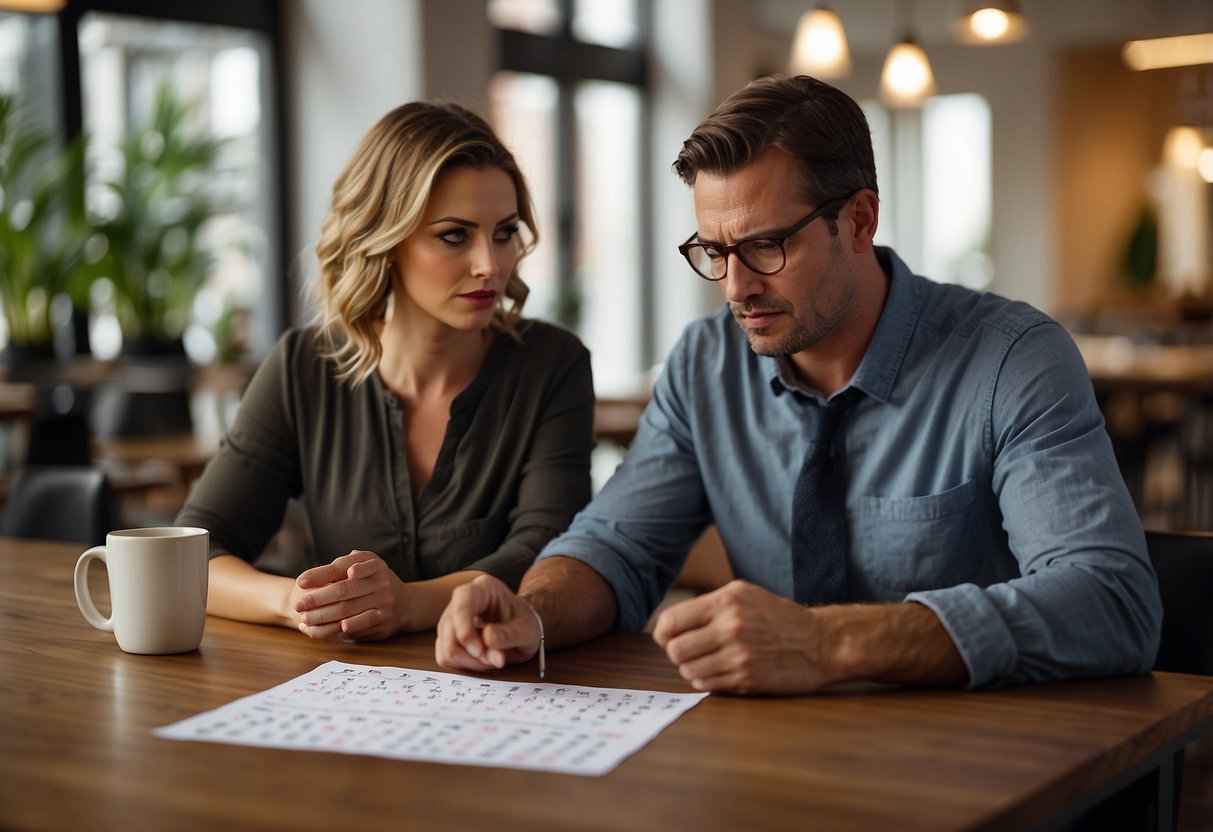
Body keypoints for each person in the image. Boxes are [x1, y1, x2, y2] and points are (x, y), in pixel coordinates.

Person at [434, 75, 1162, 694]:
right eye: (713, 251)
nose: (735, 287)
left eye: (764, 246)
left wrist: (826, 643)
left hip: (982, 757)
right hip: (779, 762)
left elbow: (1111, 602)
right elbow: (615, 546)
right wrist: (531, 614)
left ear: (859, 219)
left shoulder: (1012, 361)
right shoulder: (705, 364)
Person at [176, 101, 595, 641]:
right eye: (454, 235)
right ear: (386, 239)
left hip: (505, 686)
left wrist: (407, 605)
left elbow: (547, 555)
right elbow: (193, 548)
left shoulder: (552, 364)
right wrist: (300, 602)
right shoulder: (304, 366)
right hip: (338, 693)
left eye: (503, 232)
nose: (489, 265)